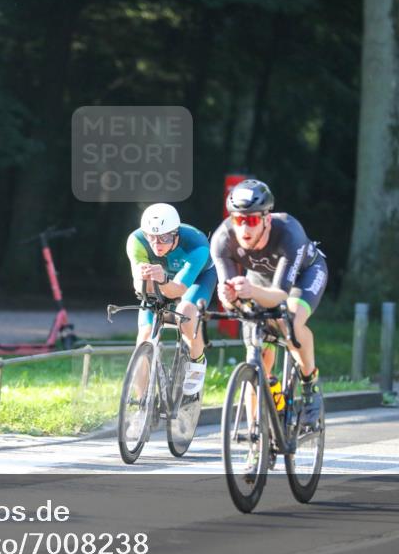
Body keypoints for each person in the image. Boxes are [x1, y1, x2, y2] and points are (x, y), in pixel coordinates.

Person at [210, 179, 328, 428]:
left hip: (302, 277)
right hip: (260, 279)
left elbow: (280, 295)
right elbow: (234, 303)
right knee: (256, 348)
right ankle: (256, 432)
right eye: (237, 220)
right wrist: (229, 298)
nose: (244, 228)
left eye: (251, 220)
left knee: (290, 324)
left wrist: (250, 290)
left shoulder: (289, 233)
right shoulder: (222, 240)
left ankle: (309, 384)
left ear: (267, 219)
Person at [126, 203, 217, 398]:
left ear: (176, 234)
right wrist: (150, 282)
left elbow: (177, 290)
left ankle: (197, 360)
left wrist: (162, 279)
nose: (157, 244)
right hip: (163, 280)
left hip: (197, 279)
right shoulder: (136, 241)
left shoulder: (197, 245)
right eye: (152, 237)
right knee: (145, 336)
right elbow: (139, 286)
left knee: (186, 313)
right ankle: (141, 404)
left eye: (164, 238)